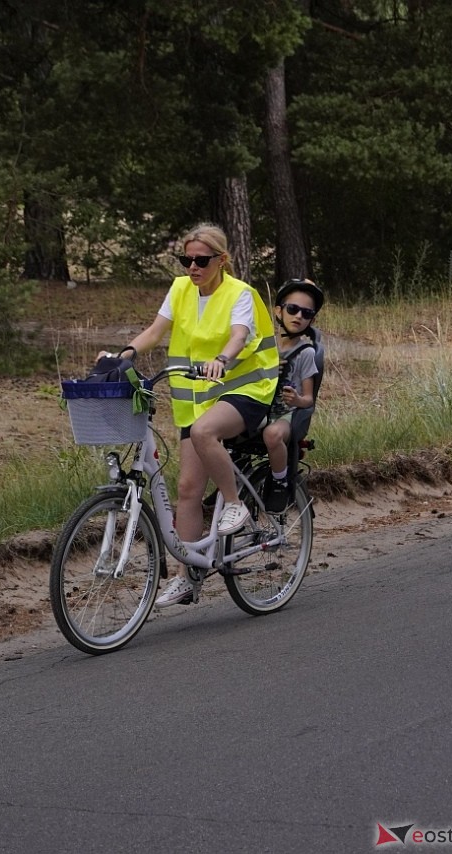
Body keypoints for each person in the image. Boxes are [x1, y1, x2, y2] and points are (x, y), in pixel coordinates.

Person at [101, 223, 279, 608]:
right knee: (187, 489)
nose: (193, 267)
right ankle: (187, 576)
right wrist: (123, 354)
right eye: (187, 260)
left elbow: (238, 334)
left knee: (203, 432)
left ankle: (235, 504)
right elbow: (155, 331)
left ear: (222, 260)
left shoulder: (240, 294)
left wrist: (222, 360)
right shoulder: (181, 289)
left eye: (201, 260)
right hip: (197, 399)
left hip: (246, 389)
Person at [260, 279, 323, 514]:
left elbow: (309, 399)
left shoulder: (305, 353)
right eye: (292, 309)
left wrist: (296, 400)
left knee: (273, 434)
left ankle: (279, 481)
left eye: (306, 313)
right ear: (278, 310)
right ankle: (231, 482)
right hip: (257, 407)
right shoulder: (264, 346)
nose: (298, 316)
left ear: (311, 320)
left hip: (284, 415)